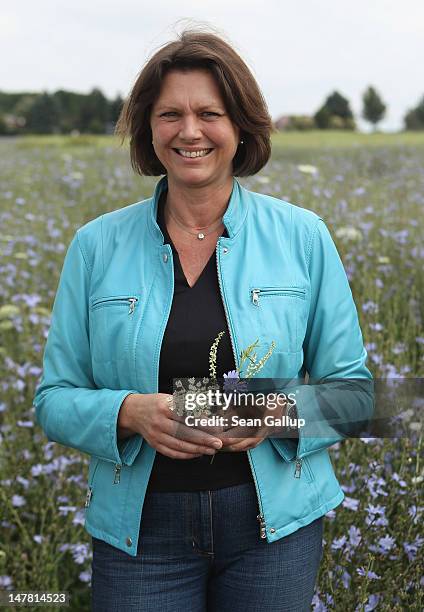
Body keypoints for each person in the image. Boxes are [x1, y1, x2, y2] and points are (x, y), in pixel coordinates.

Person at [33, 29, 373, 612]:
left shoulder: (304, 238)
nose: (189, 131)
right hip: (140, 535)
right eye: (170, 114)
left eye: (209, 113)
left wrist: (273, 413)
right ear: (149, 129)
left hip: (275, 533)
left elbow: (359, 396)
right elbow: (53, 400)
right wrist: (129, 412)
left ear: (240, 127)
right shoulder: (95, 246)